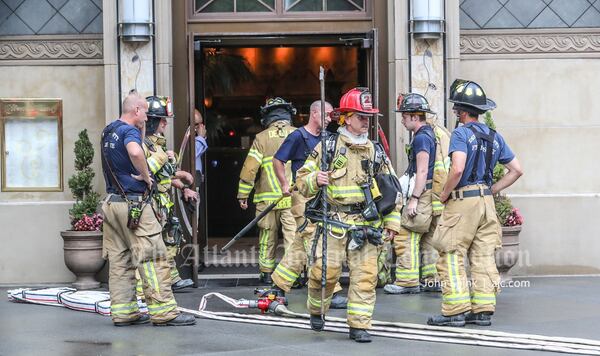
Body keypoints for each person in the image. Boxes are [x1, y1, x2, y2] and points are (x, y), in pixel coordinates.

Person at [295, 87, 401, 343]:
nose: (366, 121)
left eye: (368, 117)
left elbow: (392, 190)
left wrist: (392, 223)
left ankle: (359, 325)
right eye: (361, 116)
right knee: (324, 273)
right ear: (346, 118)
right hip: (333, 222)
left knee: (365, 277)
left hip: (365, 225)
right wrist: (315, 179)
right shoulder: (327, 146)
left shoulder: (376, 151)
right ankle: (317, 309)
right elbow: (301, 180)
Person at [427, 79, 523, 327]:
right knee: (483, 256)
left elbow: (457, 169)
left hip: (462, 202)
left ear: (461, 111)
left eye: (456, 109)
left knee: (450, 253)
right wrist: (491, 190)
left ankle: (455, 311)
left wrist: (445, 194)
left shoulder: (460, 133)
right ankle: (482, 310)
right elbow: (516, 170)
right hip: (486, 205)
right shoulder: (494, 136)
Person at [100, 91, 195, 326]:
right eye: (143, 112)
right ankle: (164, 313)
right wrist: (146, 176)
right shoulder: (129, 131)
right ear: (137, 111)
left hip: (112, 204)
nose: (146, 118)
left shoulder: (109, 130)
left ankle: (124, 313)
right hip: (135, 206)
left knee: (121, 261)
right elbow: (134, 151)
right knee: (153, 257)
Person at [270, 100, 347, 309]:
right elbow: (277, 160)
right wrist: (284, 183)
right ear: (314, 113)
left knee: (301, 243)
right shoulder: (297, 136)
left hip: (321, 198)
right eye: (327, 114)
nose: (331, 118)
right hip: (302, 198)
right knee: (316, 241)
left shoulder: (329, 139)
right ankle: (332, 290)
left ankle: (279, 283)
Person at [384, 93, 447, 294]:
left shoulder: (421, 138)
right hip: (433, 194)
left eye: (404, 116)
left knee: (406, 234)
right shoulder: (431, 133)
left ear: (414, 116)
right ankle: (431, 279)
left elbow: (421, 170)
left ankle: (407, 281)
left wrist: (414, 199)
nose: (402, 120)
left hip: (423, 194)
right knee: (428, 238)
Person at [140, 96, 197, 293]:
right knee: (151, 247)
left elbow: (167, 177)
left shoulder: (158, 145)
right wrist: (182, 173)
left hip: (163, 204)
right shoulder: (144, 145)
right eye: (162, 119)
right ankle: (145, 290)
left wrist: (183, 187)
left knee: (170, 240)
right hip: (151, 204)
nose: (165, 123)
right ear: (152, 121)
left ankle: (172, 279)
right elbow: (150, 172)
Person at [237, 97, 297, 284]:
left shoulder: (261, 138)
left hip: (266, 200)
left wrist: (243, 194)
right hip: (292, 198)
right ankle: (292, 275)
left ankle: (266, 273)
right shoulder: (298, 135)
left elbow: (250, 169)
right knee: (293, 237)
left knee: (267, 236)